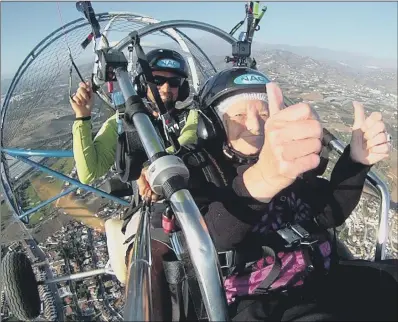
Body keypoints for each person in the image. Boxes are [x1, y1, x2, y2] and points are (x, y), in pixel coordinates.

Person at [114, 67, 396, 321]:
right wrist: (264, 178)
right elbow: (207, 238)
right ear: (211, 125)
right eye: (238, 114)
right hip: (252, 301)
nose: (255, 124)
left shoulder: (285, 160)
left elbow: (327, 214)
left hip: (316, 277)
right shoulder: (197, 168)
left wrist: (356, 162)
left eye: (263, 113)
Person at [70, 48, 199, 185]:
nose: (166, 88)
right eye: (157, 80)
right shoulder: (124, 121)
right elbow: (89, 173)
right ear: (142, 84)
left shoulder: (190, 117)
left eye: (174, 82)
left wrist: (150, 170)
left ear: (182, 88)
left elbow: (188, 137)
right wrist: (82, 117)